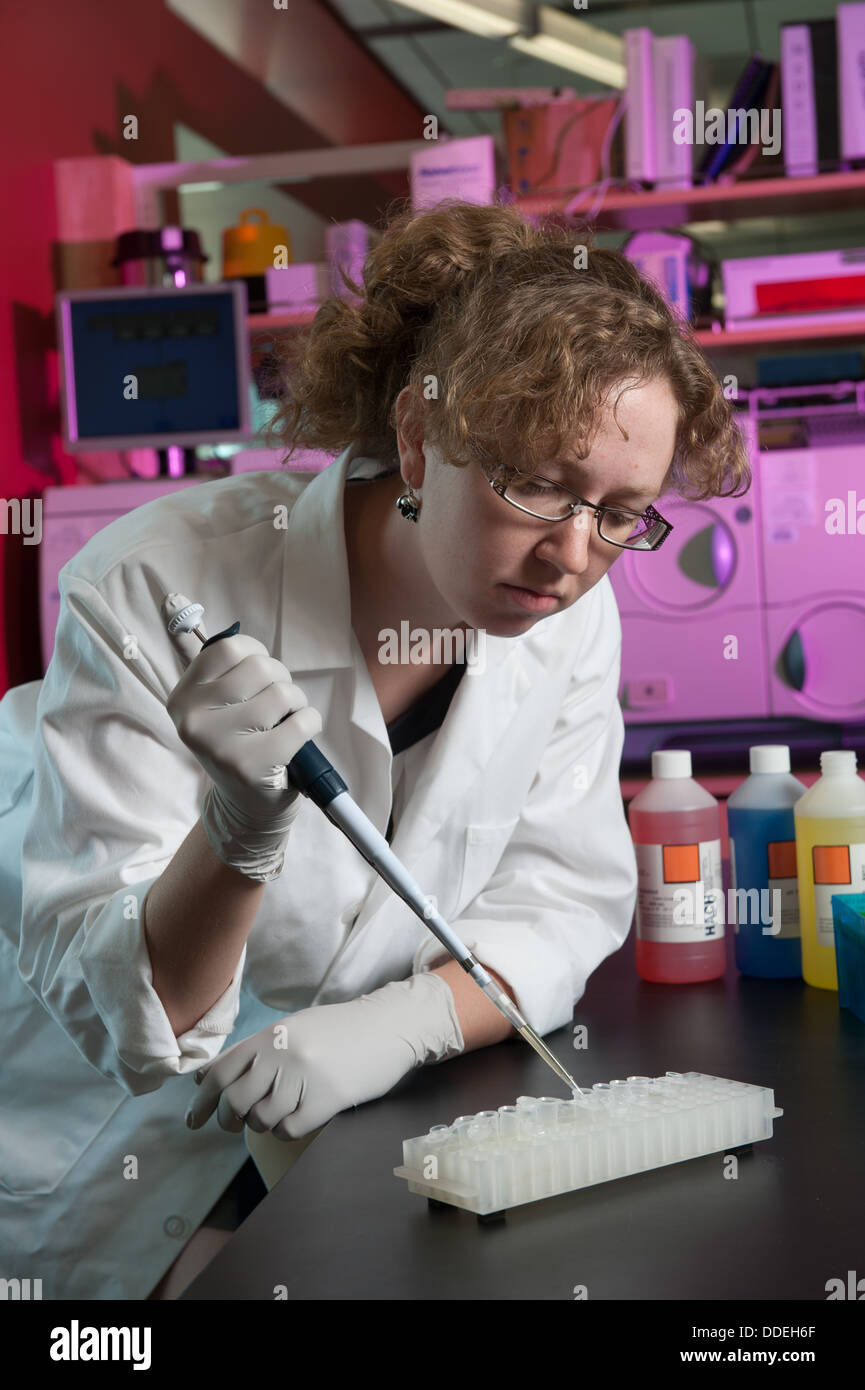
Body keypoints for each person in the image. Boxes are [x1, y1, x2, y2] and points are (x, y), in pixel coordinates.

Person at [0, 198, 750, 1300]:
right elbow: (133, 1019)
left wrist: (399, 1026)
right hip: (94, 1162)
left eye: (619, 513)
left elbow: (558, 899)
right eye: (538, 482)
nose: (572, 554)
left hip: (332, 1154)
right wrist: (240, 832)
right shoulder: (156, 585)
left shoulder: (569, 617)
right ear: (417, 436)